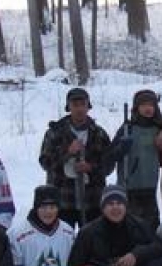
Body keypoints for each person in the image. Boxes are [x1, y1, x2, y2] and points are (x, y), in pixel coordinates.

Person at [38, 87, 114, 228]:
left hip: (92, 201)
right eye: (75, 105)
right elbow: (45, 162)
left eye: (83, 104)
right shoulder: (54, 133)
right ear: (69, 107)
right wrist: (67, 152)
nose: (79, 109)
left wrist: (91, 167)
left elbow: (109, 166)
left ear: (88, 106)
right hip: (63, 201)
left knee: (92, 246)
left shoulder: (99, 134)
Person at [109, 89, 162, 229]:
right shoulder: (128, 128)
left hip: (150, 187)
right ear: (136, 108)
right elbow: (110, 155)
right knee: (129, 228)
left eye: (151, 105)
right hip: (129, 187)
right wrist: (122, 148)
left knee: (151, 228)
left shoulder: (158, 128)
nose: (148, 108)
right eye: (143, 104)